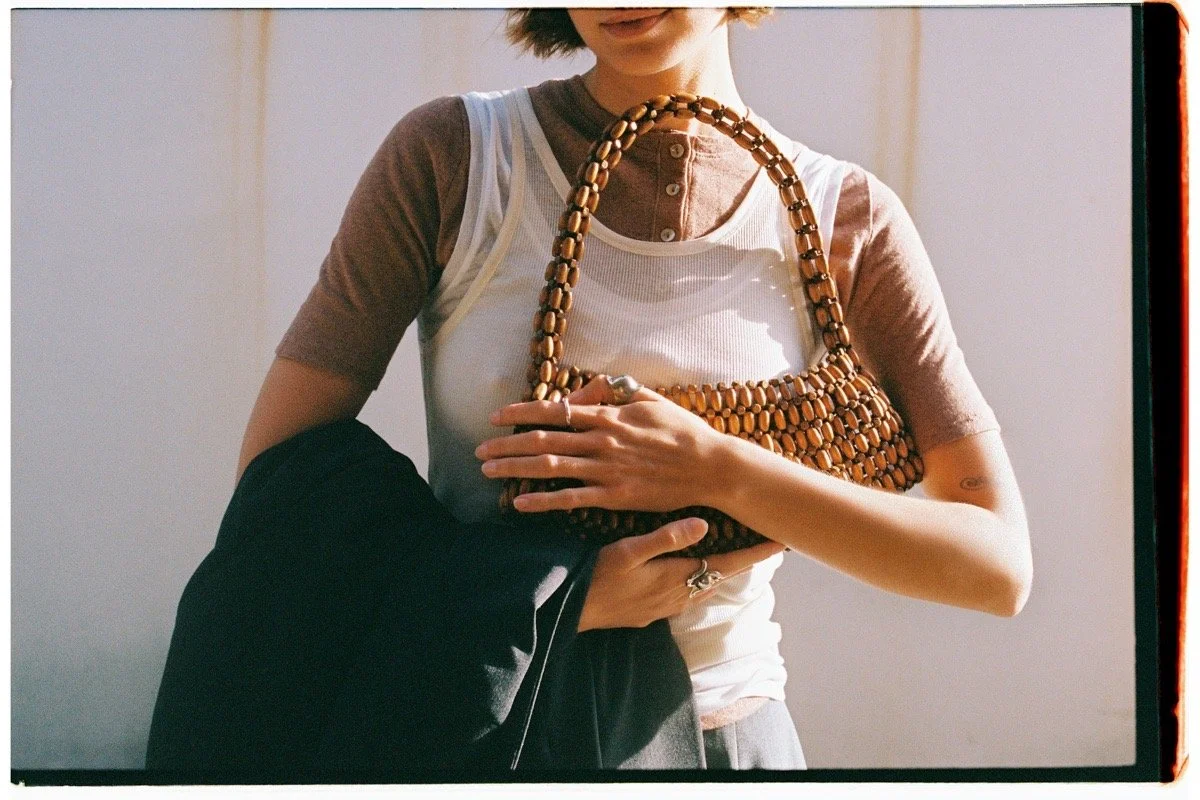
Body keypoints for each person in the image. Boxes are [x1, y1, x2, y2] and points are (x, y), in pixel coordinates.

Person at [237, 6, 1032, 770]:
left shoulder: (842, 215)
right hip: (489, 723)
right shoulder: (461, 157)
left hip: (727, 735)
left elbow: (994, 563)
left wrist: (718, 468)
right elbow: (277, 493)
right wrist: (550, 603)